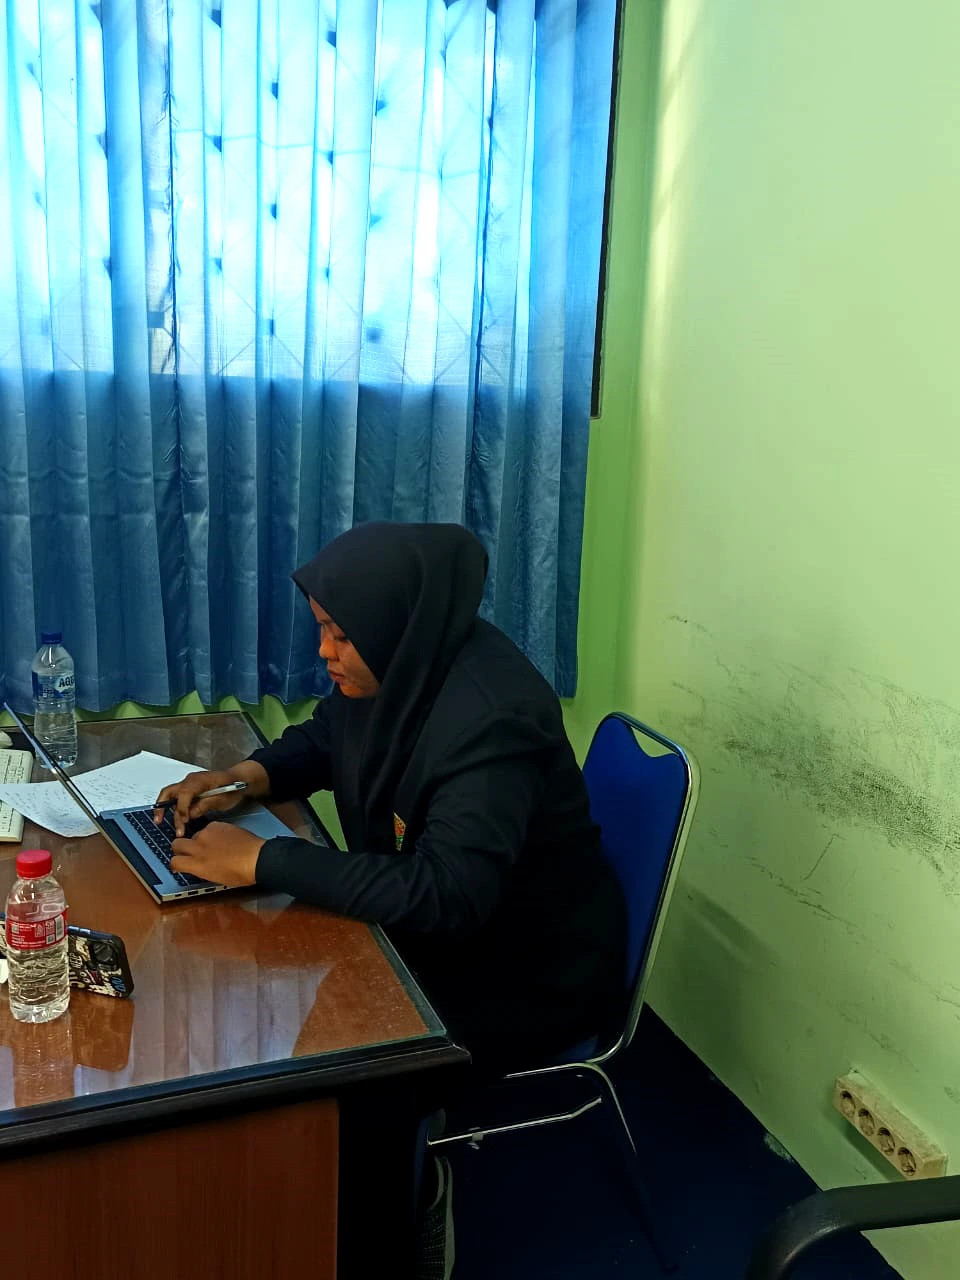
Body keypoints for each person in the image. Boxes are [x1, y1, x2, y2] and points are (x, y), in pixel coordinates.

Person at [155, 520, 626, 1073]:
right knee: (297, 986)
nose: (324, 651)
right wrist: (241, 778)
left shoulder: (493, 721)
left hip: (522, 972)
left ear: (385, 625)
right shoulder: (407, 655)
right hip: (443, 938)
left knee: (325, 1059)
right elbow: (329, 735)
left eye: (340, 635)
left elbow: (448, 892)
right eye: (322, 628)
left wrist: (263, 859)